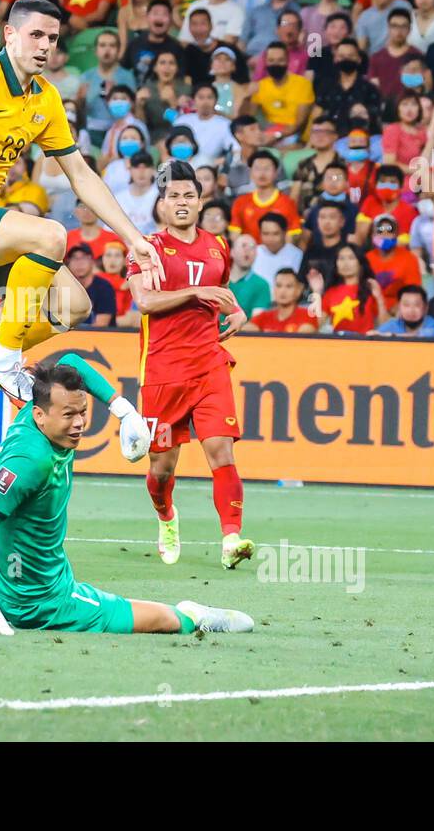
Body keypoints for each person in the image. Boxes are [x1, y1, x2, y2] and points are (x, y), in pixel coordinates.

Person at [0, 0, 162, 435]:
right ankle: (2, 359)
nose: (45, 46)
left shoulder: (46, 99)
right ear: (9, 34)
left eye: (53, 39)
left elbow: (80, 174)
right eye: (36, 34)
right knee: (52, 234)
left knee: (74, 306)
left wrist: (134, 238)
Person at [0, 356, 252, 636]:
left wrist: (122, 409)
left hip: (8, 584)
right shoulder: (33, 462)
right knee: (157, 620)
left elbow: (71, 363)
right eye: (69, 416)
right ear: (41, 415)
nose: (78, 425)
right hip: (49, 598)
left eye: (82, 413)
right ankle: (193, 616)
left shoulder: (33, 412)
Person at [123, 161, 254, 568]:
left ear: (201, 202)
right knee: (162, 469)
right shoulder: (147, 247)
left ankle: (231, 539)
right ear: (161, 205)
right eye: (173, 196)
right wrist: (197, 292)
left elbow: (223, 289)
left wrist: (236, 311)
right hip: (162, 371)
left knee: (221, 451)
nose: (182, 202)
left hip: (209, 362)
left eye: (189, 196)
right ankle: (166, 517)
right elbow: (144, 302)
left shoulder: (217, 245)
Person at [243, 267, 316, 333]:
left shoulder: (307, 315)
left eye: (289, 286)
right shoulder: (264, 316)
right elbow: (244, 331)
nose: (282, 291)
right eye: (278, 285)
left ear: (298, 290)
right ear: (273, 289)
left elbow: (306, 334)